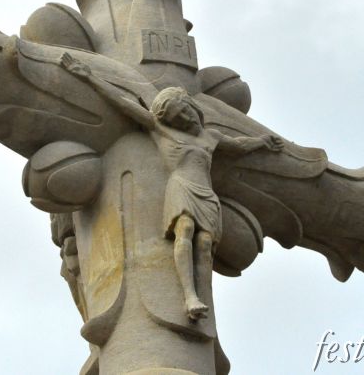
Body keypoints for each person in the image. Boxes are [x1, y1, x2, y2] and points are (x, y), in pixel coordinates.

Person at [61, 53, 283, 320]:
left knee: (204, 244)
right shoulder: (161, 130)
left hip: (206, 194)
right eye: (178, 117)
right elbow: (124, 103)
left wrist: (262, 142)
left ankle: (200, 295)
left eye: (185, 111)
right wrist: (88, 76)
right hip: (182, 187)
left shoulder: (210, 136)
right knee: (185, 230)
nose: (185, 118)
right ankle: (189, 296)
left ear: (191, 107)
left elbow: (238, 146)